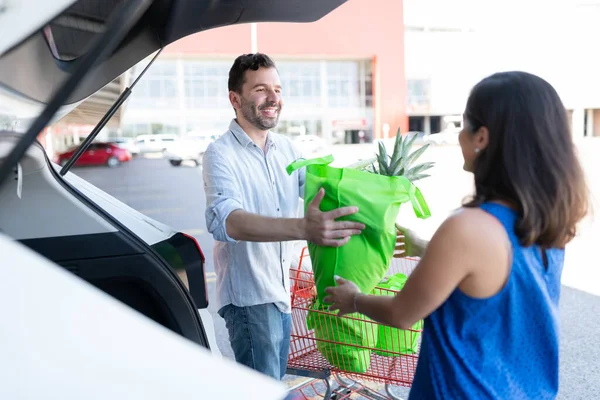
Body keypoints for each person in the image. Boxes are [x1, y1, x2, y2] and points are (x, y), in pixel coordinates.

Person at [324, 71, 589, 399]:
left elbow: (402, 314)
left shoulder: (467, 229)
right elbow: (496, 284)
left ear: (482, 138)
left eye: (464, 126)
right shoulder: (550, 221)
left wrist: (353, 300)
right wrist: (426, 248)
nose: (460, 137)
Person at [202, 53, 365, 380]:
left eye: (277, 89)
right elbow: (226, 220)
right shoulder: (220, 154)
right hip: (250, 300)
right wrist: (303, 228)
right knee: (263, 390)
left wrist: (382, 203)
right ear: (235, 98)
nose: (274, 97)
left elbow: (326, 191)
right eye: (261, 89)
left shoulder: (287, 149)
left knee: (273, 385)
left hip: (281, 294)